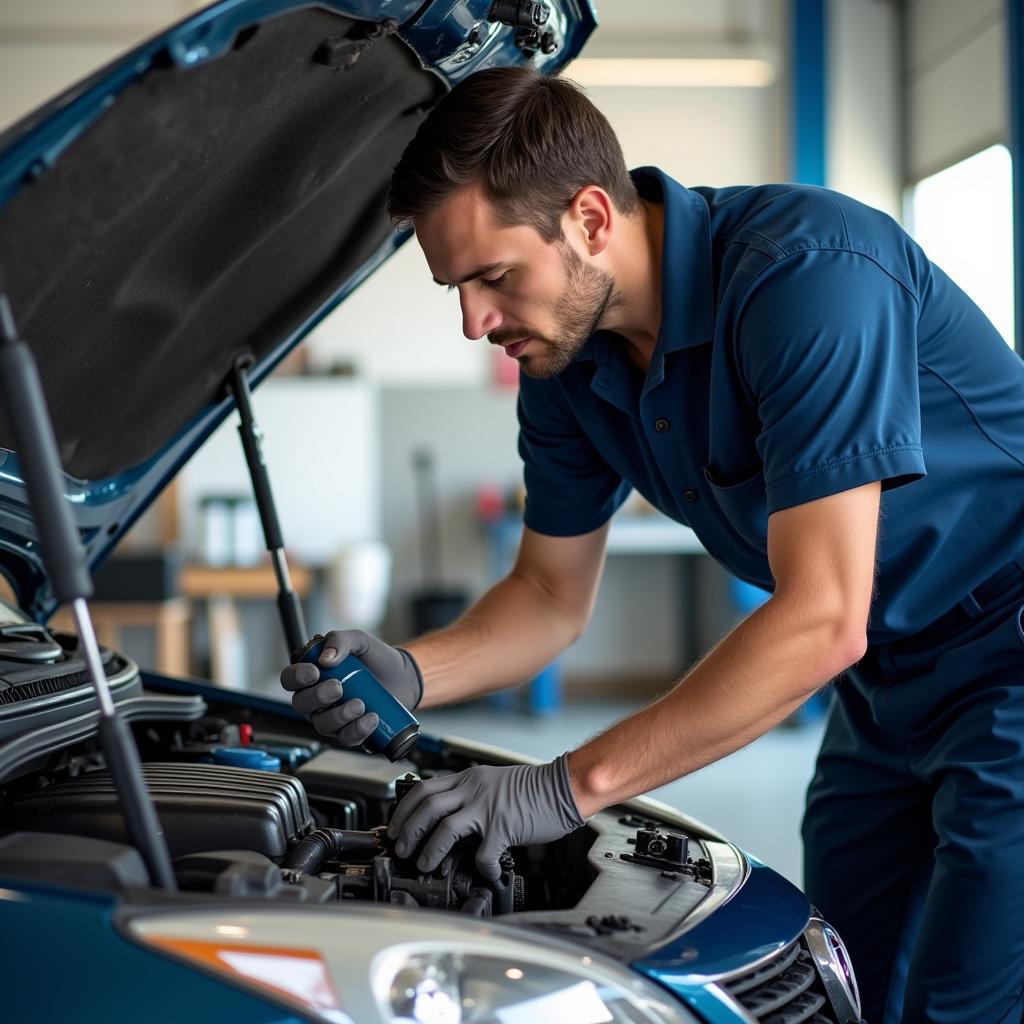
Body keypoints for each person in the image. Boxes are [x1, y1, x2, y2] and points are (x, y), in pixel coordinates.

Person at [281, 66, 1024, 1023]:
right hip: (883, 684)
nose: (474, 322)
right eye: (454, 287)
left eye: (493, 276)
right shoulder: (563, 365)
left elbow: (819, 618)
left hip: (1005, 654)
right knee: (833, 981)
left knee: (965, 1003)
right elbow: (550, 595)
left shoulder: (808, 277)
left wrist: (560, 788)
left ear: (591, 217)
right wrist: (414, 671)